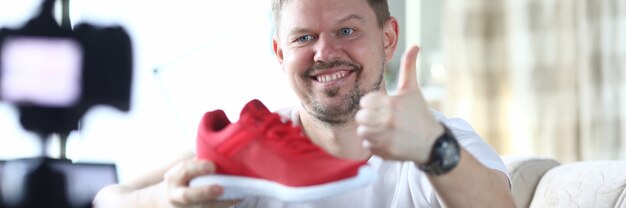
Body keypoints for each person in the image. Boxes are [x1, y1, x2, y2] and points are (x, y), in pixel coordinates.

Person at [93, 0, 515, 207]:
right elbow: (109, 199)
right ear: (280, 53)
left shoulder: (437, 141)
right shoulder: (248, 153)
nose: (325, 52)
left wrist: (430, 146)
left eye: (347, 31)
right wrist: (170, 199)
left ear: (387, 38)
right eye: (304, 37)